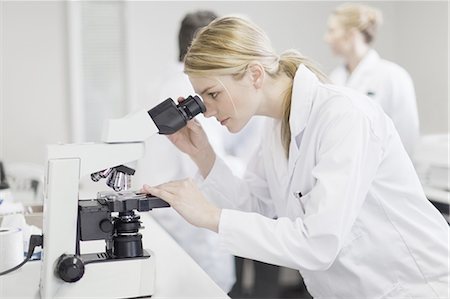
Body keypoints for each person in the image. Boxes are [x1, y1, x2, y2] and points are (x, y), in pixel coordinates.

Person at [141, 16, 449, 298]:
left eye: (213, 94)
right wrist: (203, 155)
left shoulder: (343, 116)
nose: (205, 111)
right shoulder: (276, 128)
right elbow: (256, 206)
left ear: (255, 75)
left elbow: (318, 243)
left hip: (414, 287)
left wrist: (210, 216)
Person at [135, 10, 235, 292]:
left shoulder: (158, 84)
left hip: (165, 225)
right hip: (192, 235)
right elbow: (206, 168)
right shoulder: (192, 91)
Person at [325, 3, 420, 157]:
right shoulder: (334, 79)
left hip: (383, 176)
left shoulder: (393, 76)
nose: (327, 38)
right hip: (345, 171)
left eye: (332, 31)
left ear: (351, 35)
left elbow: (407, 137)